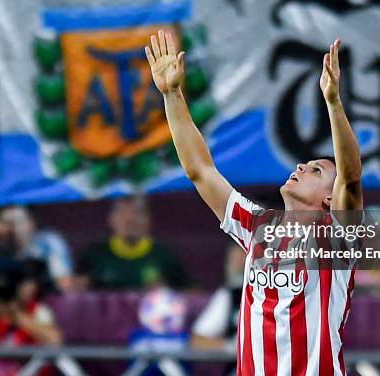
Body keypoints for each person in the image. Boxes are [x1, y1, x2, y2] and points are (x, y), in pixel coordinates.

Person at [147, 31, 363, 375]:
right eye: (303, 164)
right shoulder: (256, 225)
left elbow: (350, 177)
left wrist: (334, 103)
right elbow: (201, 171)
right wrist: (172, 95)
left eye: (315, 170)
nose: (300, 167)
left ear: (328, 197)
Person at [78, 195, 189, 290]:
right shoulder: (93, 254)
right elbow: (72, 290)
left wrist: (166, 291)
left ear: (148, 219)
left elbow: (192, 293)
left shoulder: (165, 255)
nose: (130, 219)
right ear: (111, 219)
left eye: (138, 213)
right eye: (122, 212)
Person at [0, 206, 75, 293]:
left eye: (16, 223)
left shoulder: (48, 243)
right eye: (5, 223)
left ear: (31, 223)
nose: (11, 229)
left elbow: (65, 284)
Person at [191, 244, 245, 375]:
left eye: (243, 255)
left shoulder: (291, 293)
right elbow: (197, 340)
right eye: (234, 257)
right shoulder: (229, 295)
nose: (238, 260)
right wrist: (233, 347)